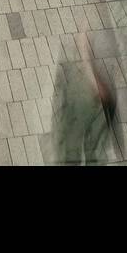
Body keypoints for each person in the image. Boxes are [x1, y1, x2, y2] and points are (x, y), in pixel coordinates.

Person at [53, 35, 120, 166]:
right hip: (89, 103)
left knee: (78, 147)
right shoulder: (77, 81)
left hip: (91, 104)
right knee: (82, 148)